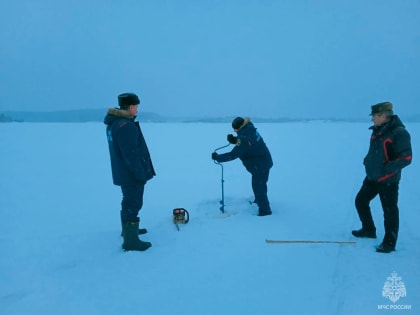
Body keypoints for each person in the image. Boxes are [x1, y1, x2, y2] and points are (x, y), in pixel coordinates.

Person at [352, 102, 412, 253]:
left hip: (388, 180)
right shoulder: (377, 131)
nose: (372, 119)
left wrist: (386, 170)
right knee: (360, 201)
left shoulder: (399, 133)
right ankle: (368, 229)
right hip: (372, 177)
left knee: (389, 210)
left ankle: (389, 243)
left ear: (383, 116)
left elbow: (406, 158)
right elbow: (375, 152)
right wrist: (368, 160)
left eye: (374, 116)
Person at [104, 92, 156, 251]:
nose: (138, 109)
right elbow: (131, 154)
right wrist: (140, 174)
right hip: (131, 173)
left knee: (129, 201)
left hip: (123, 172)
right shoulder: (126, 126)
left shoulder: (116, 124)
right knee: (133, 202)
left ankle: (128, 231)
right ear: (131, 106)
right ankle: (131, 241)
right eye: (137, 106)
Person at [212, 117, 273, 216]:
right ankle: (259, 201)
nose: (234, 131)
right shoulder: (250, 129)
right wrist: (235, 140)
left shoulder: (246, 138)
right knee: (260, 185)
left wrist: (217, 158)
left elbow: (233, 154)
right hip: (263, 162)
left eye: (235, 129)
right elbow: (246, 142)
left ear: (240, 127)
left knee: (258, 187)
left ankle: (265, 211)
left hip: (260, 165)